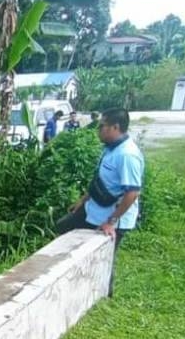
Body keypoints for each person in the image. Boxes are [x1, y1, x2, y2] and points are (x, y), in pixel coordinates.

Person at [54, 108, 144, 297]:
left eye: (102, 126)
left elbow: (132, 193)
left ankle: (103, 296)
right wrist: (82, 200)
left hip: (112, 217)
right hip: (94, 208)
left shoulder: (127, 155)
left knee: (104, 258)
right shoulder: (111, 149)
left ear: (115, 127)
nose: (99, 130)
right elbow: (101, 181)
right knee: (63, 228)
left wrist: (111, 221)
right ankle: (70, 280)